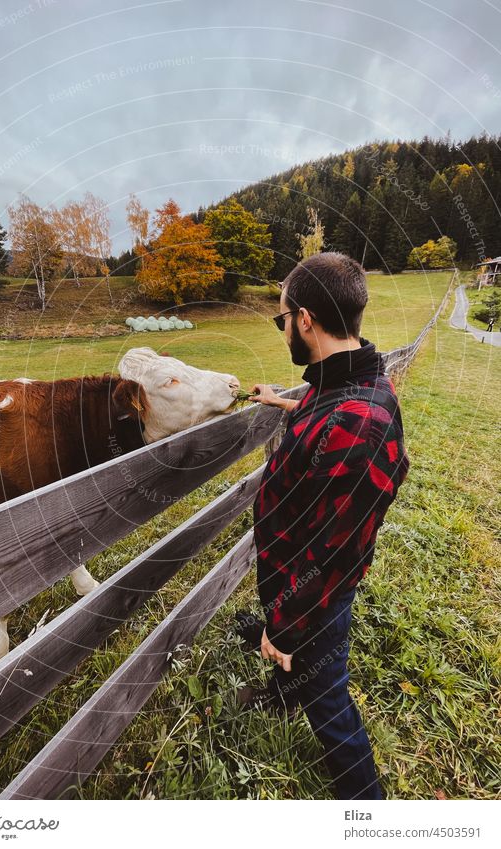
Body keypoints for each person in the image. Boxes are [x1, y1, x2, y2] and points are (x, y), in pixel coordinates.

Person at [236, 252, 410, 800]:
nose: (283, 327)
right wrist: (280, 401)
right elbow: (322, 411)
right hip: (295, 578)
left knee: (330, 702)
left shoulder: (359, 422)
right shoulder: (342, 380)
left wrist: (283, 627)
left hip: (315, 593)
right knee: (306, 670)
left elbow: (327, 553)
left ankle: (369, 808)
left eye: (282, 318)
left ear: (305, 320)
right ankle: (285, 689)